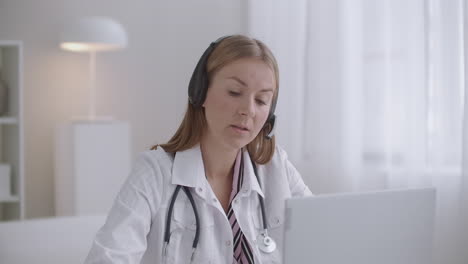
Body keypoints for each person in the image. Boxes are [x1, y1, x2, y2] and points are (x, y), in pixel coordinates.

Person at [85, 34, 312, 264]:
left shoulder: (276, 167)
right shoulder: (155, 173)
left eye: (262, 101)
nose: (248, 110)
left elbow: (326, 239)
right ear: (200, 92)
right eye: (234, 92)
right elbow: (106, 258)